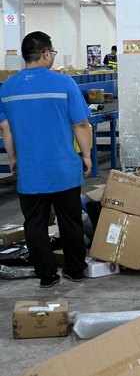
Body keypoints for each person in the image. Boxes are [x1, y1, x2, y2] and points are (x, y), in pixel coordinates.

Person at [0, 31, 92, 288]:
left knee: (35, 224)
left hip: (30, 171)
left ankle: (47, 276)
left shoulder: (7, 87)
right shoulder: (64, 83)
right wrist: (86, 156)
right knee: (70, 221)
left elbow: (5, 128)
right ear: (46, 54)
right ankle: (75, 270)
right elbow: (82, 124)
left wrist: (13, 158)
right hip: (63, 168)